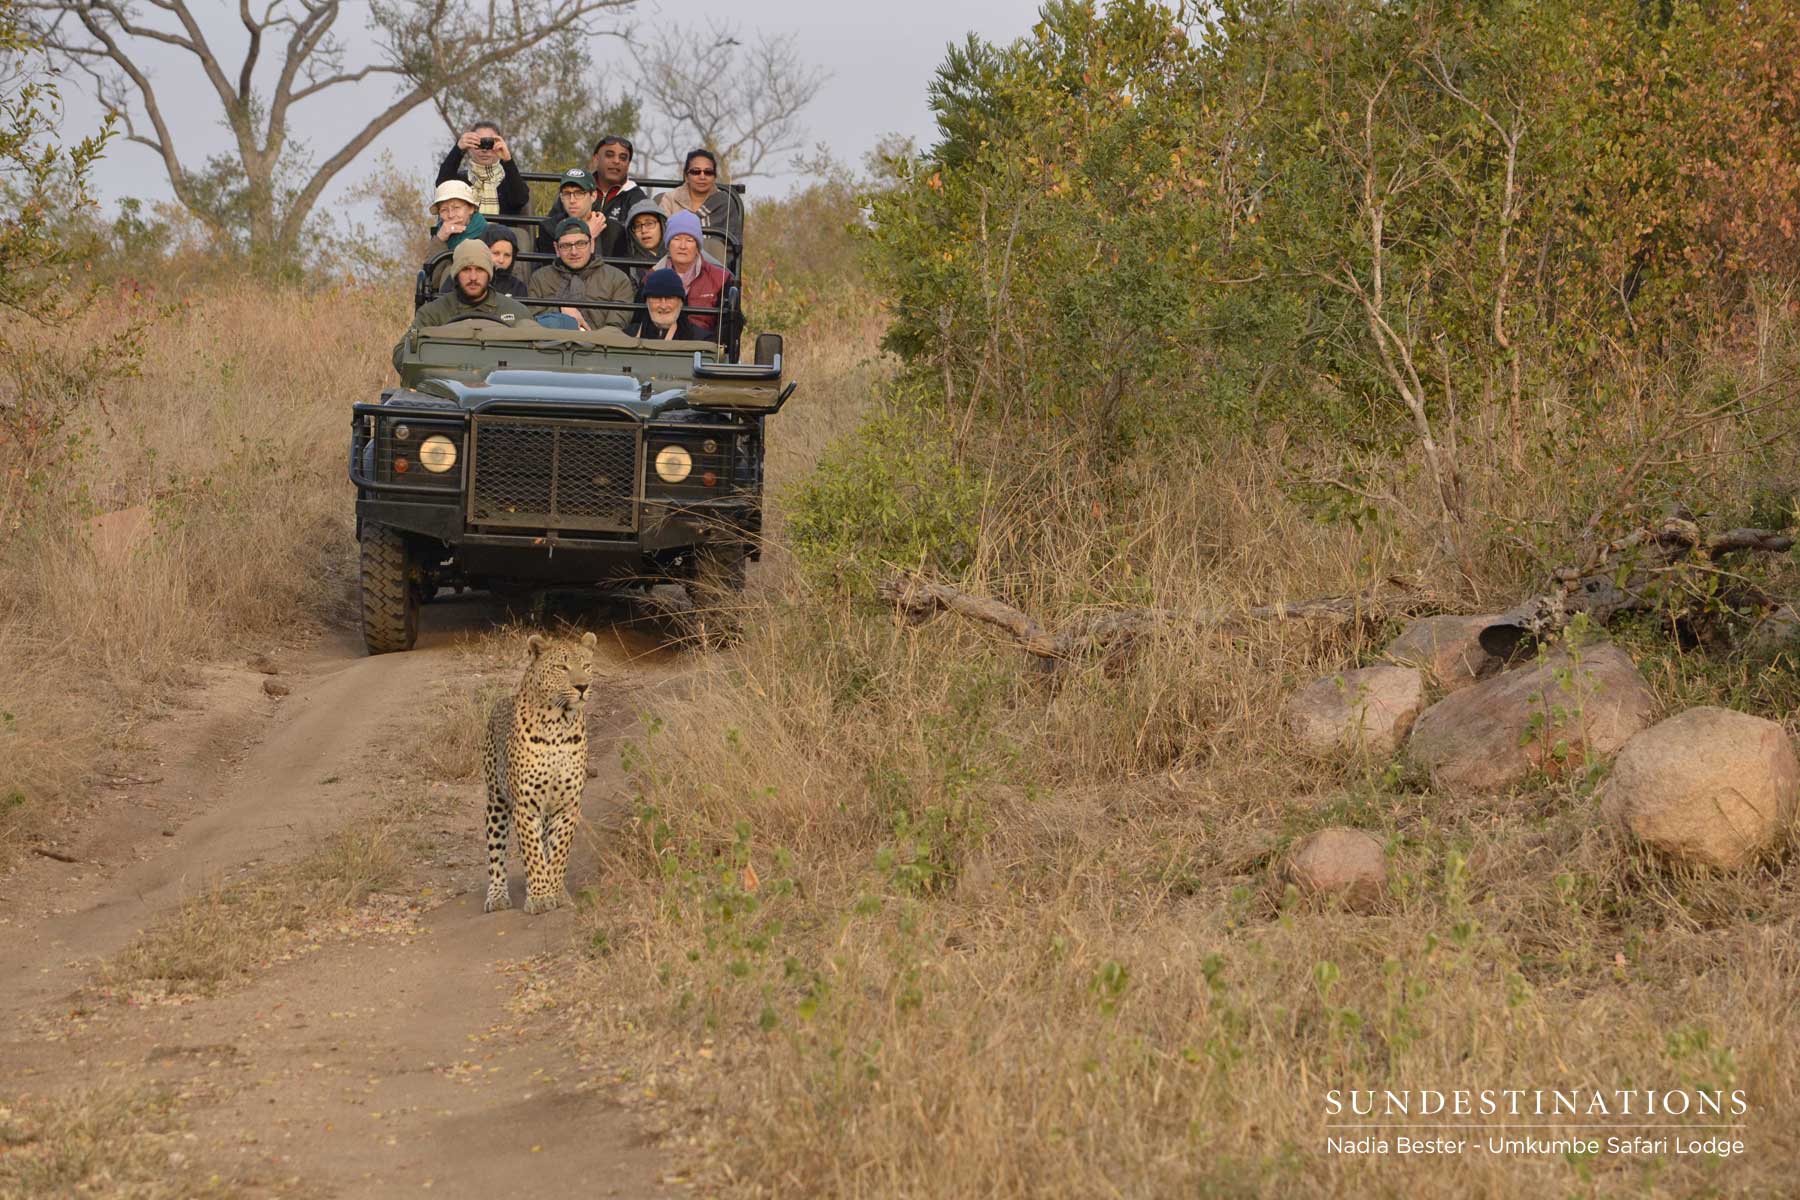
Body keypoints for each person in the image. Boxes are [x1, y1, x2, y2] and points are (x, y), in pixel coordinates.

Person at [395, 239, 534, 371]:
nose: (473, 277)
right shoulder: (433, 313)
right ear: (456, 274)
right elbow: (401, 353)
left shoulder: (516, 312)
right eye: (466, 269)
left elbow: (536, 356)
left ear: (489, 274)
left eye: (480, 269)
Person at [541, 135, 645, 257]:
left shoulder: (636, 198)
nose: (616, 161)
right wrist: (587, 233)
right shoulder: (572, 191)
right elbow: (552, 234)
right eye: (609, 155)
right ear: (596, 159)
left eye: (623, 158)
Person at [525, 217, 635, 330]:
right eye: (566, 245)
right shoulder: (540, 278)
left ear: (592, 244)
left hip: (601, 340)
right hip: (552, 340)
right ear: (556, 248)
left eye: (581, 243)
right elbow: (531, 316)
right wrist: (559, 310)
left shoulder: (617, 278)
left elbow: (617, 325)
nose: (574, 252)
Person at [651, 210, 734, 337]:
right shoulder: (651, 277)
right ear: (668, 244)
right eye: (676, 239)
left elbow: (728, 331)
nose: (682, 246)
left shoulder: (721, 279)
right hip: (659, 344)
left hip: (702, 345)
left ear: (697, 246)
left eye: (689, 240)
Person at [656, 148, 744, 266]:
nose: (702, 176)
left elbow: (733, 246)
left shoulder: (725, 203)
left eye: (708, 172)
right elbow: (661, 240)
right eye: (696, 172)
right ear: (686, 176)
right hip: (672, 265)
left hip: (713, 268)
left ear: (714, 177)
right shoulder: (670, 199)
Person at [436, 120, 528, 215]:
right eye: (478, 144)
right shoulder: (461, 182)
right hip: (467, 225)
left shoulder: (510, 179)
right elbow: (442, 186)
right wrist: (458, 149)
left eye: (490, 143)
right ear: (469, 147)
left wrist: (508, 161)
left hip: (503, 225)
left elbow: (520, 200)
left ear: (499, 144)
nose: (484, 150)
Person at [424, 180, 489, 290]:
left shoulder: (489, 234)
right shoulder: (439, 238)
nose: (450, 215)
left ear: (471, 209)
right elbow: (431, 281)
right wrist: (440, 240)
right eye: (444, 210)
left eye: (456, 208)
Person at [536, 167, 606, 255]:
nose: (572, 200)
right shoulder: (549, 228)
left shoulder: (613, 230)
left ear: (593, 196)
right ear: (561, 197)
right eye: (566, 193)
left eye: (579, 193)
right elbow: (555, 263)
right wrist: (588, 235)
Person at [625, 268, 707, 341]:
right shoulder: (628, 336)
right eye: (656, 298)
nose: (663, 306)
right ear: (647, 301)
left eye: (670, 298)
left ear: (681, 302)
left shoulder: (700, 339)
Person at [619, 199, 666, 284]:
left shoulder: (675, 257)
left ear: (662, 226)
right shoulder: (626, 265)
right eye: (637, 226)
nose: (644, 230)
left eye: (649, 223)